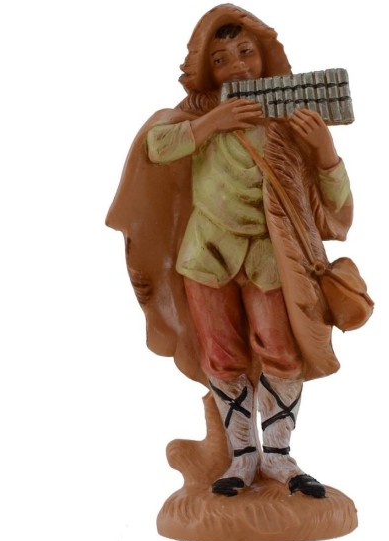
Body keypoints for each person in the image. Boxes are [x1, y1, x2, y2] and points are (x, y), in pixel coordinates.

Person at [106, 4, 354, 499]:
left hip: (270, 258)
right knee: (220, 357)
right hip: (206, 255)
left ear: (265, 56)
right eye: (221, 59)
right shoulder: (196, 116)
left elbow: (336, 209)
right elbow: (156, 147)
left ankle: (278, 455)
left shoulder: (288, 123)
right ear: (206, 69)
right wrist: (213, 122)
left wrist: (325, 152)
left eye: (246, 52)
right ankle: (242, 455)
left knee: (281, 352)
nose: (237, 66)